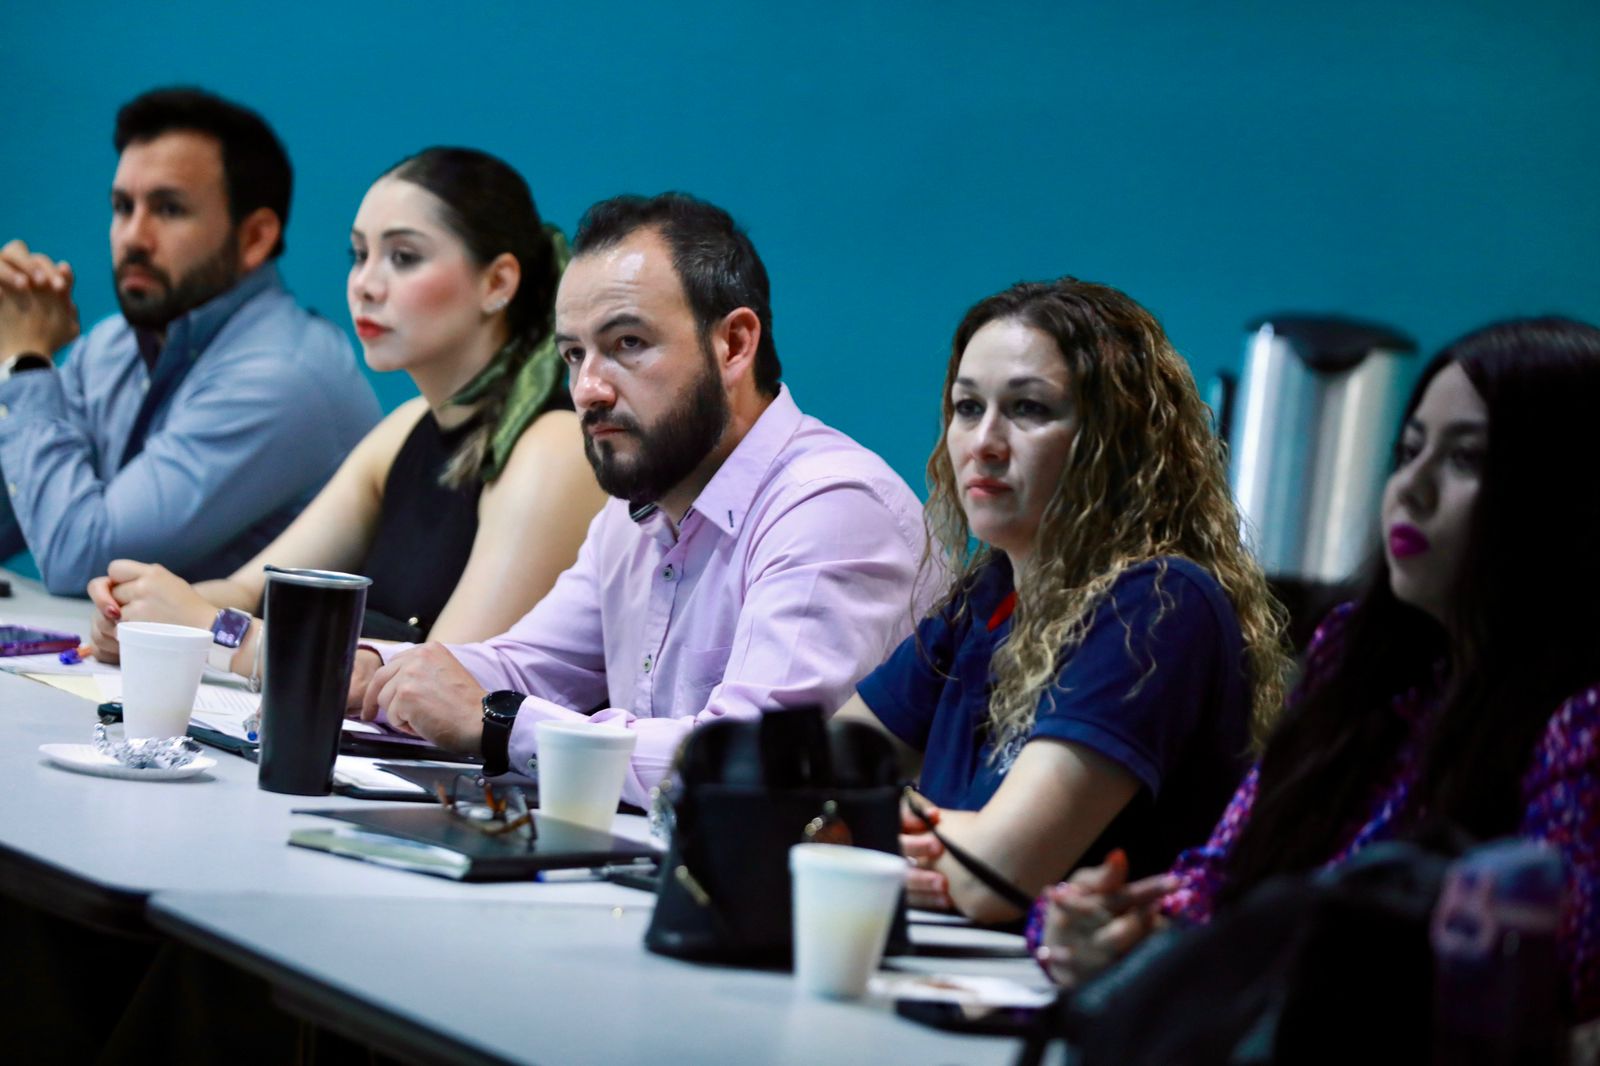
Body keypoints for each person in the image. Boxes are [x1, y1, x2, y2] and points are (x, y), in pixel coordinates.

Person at [1034, 317, 1600, 1021]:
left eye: (1466, 459)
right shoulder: (1359, 656)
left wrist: (1216, 957)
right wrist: (1111, 926)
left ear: (1568, 496)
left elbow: (1555, 983)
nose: (1411, 489)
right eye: (1409, 451)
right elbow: (1222, 877)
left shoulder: (1580, 720)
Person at [356, 192, 928, 800]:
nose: (587, 390)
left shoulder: (832, 508)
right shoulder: (637, 510)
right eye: (574, 354)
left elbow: (750, 763)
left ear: (734, 344)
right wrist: (373, 672)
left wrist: (500, 724)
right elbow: (530, 666)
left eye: (627, 343)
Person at [833, 278, 1292, 923]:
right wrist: (924, 833)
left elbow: (996, 875)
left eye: (1029, 409)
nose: (984, 442)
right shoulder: (986, 599)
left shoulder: (1159, 604)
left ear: (1116, 439)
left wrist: (873, 822)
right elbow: (810, 775)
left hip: (1084, 984)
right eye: (968, 407)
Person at [83, 147, 605, 671]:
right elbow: (249, 590)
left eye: (403, 257)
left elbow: (438, 684)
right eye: (359, 255)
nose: (364, 285)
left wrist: (208, 630)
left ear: (497, 283)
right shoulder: (406, 428)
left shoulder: (553, 449)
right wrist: (147, 613)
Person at [0, 86, 380, 595]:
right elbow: (18, 513)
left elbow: (84, 556)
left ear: (255, 238)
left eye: (169, 209)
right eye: (122, 207)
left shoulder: (284, 376)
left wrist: (25, 364)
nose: (133, 237)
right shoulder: (111, 347)